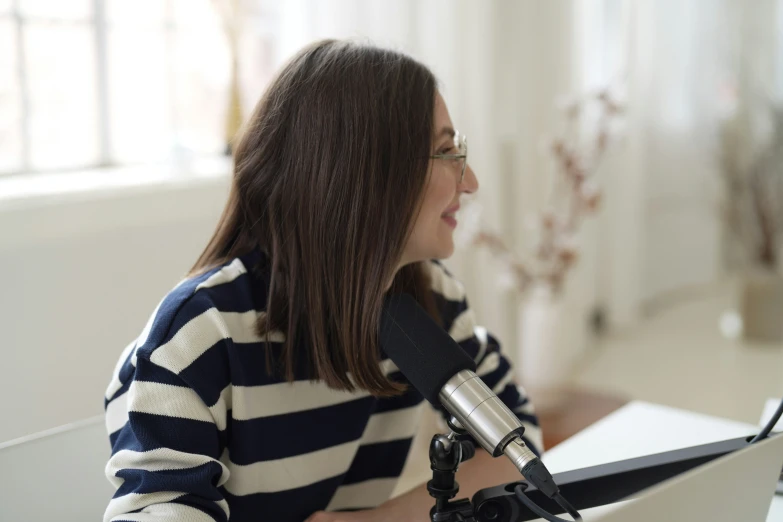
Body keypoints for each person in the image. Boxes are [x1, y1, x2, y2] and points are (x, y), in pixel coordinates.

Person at [103, 39, 542, 522]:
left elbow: (522, 452)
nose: (471, 180)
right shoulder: (198, 337)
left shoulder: (433, 301)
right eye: (445, 151)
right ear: (365, 174)